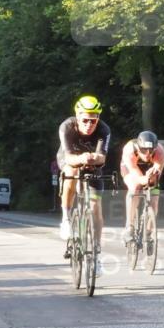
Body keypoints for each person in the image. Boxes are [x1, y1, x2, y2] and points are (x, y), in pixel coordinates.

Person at [57, 95, 111, 275]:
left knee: (96, 208)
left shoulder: (104, 130)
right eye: (85, 120)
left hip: (92, 163)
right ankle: (65, 218)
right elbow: (69, 157)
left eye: (93, 121)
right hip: (71, 158)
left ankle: (95, 255)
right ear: (77, 116)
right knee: (70, 173)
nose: (89, 124)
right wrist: (81, 158)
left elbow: (102, 156)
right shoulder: (67, 127)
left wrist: (94, 158)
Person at [120, 130, 164, 242]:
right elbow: (136, 175)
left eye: (151, 151)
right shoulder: (129, 150)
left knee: (154, 201)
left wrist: (151, 178)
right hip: (130, 168)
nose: (147, 154)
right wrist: (144, 179)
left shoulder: (161, 153)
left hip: (149, 170)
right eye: (143, 150)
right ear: (138, 147)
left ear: (155, 148)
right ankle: (129, 226)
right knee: (135, 187)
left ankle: (149, 232)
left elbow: (157, 173)